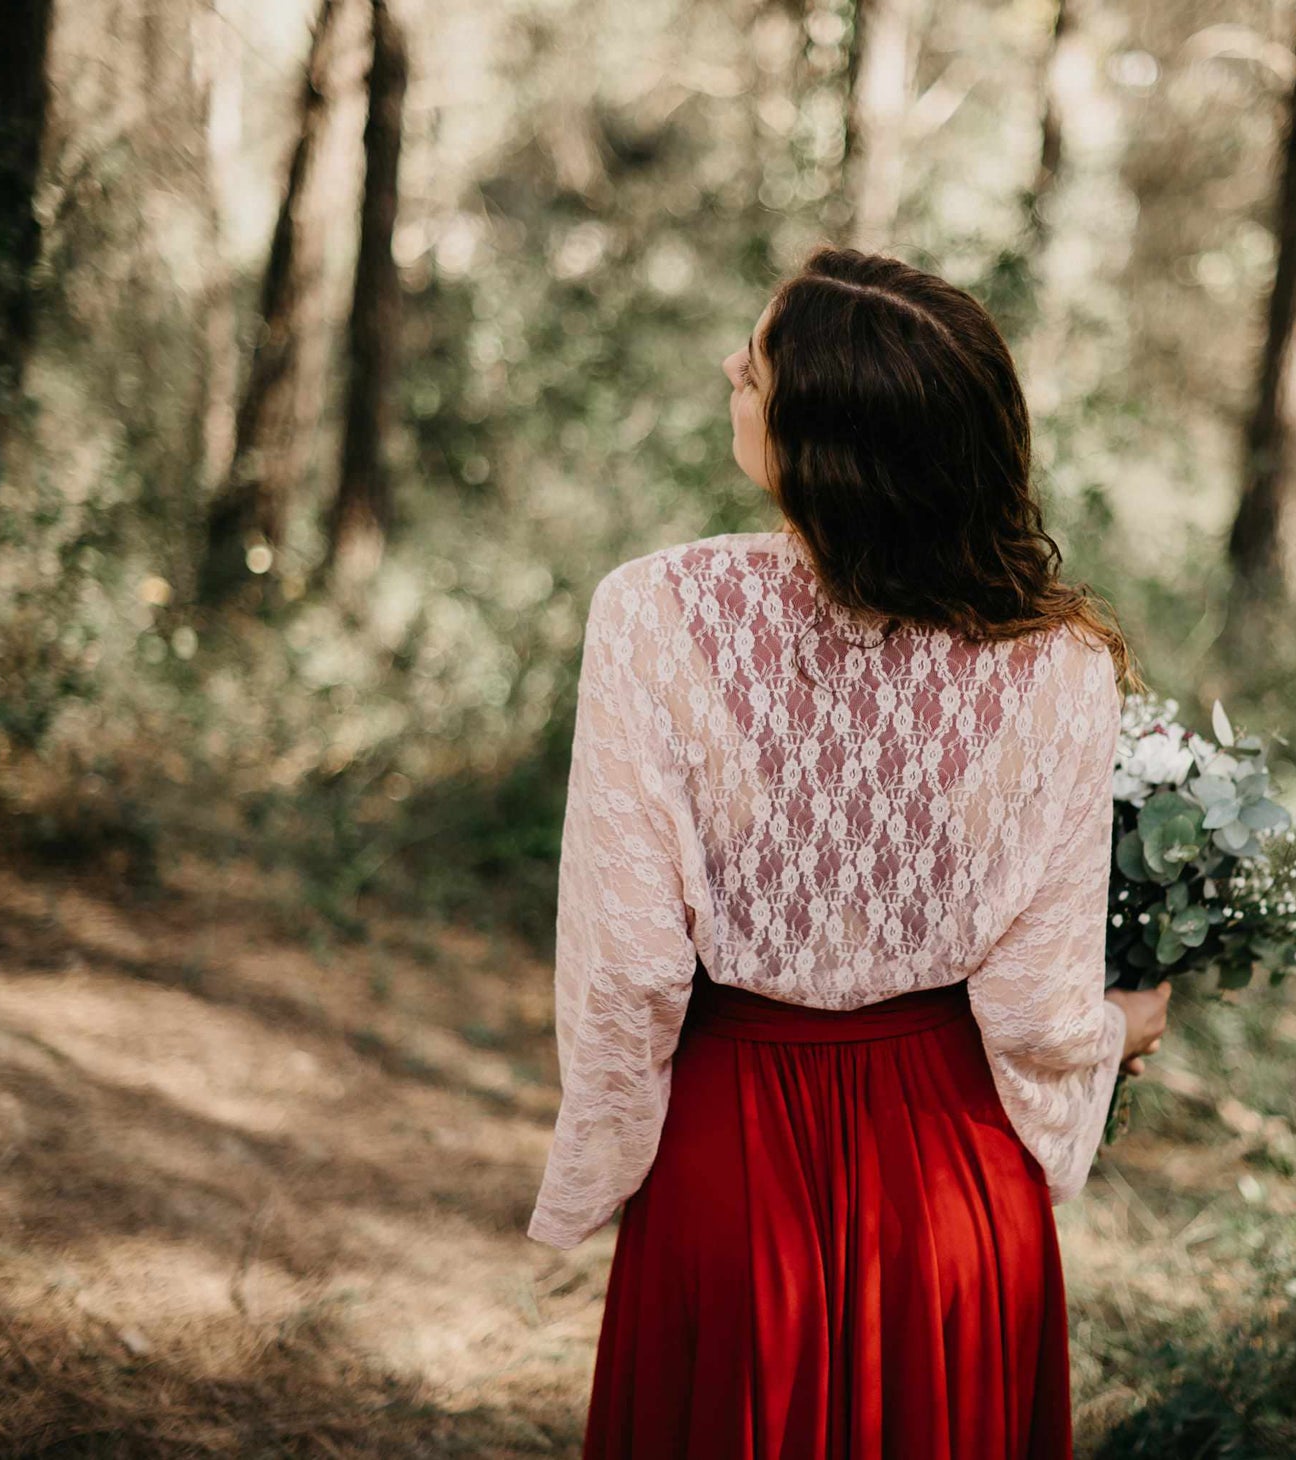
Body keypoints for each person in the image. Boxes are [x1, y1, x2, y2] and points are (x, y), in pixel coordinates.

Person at [526, 244, 1172, 1458]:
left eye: (757, 362)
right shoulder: (1062, 665)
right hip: (950, 1196)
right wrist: (1117, 1030)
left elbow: (627, 966)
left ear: (825, 441)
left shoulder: (650, 614)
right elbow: (1036, 1010)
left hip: (729, 1168)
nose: (730, 363)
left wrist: (611, 1151)